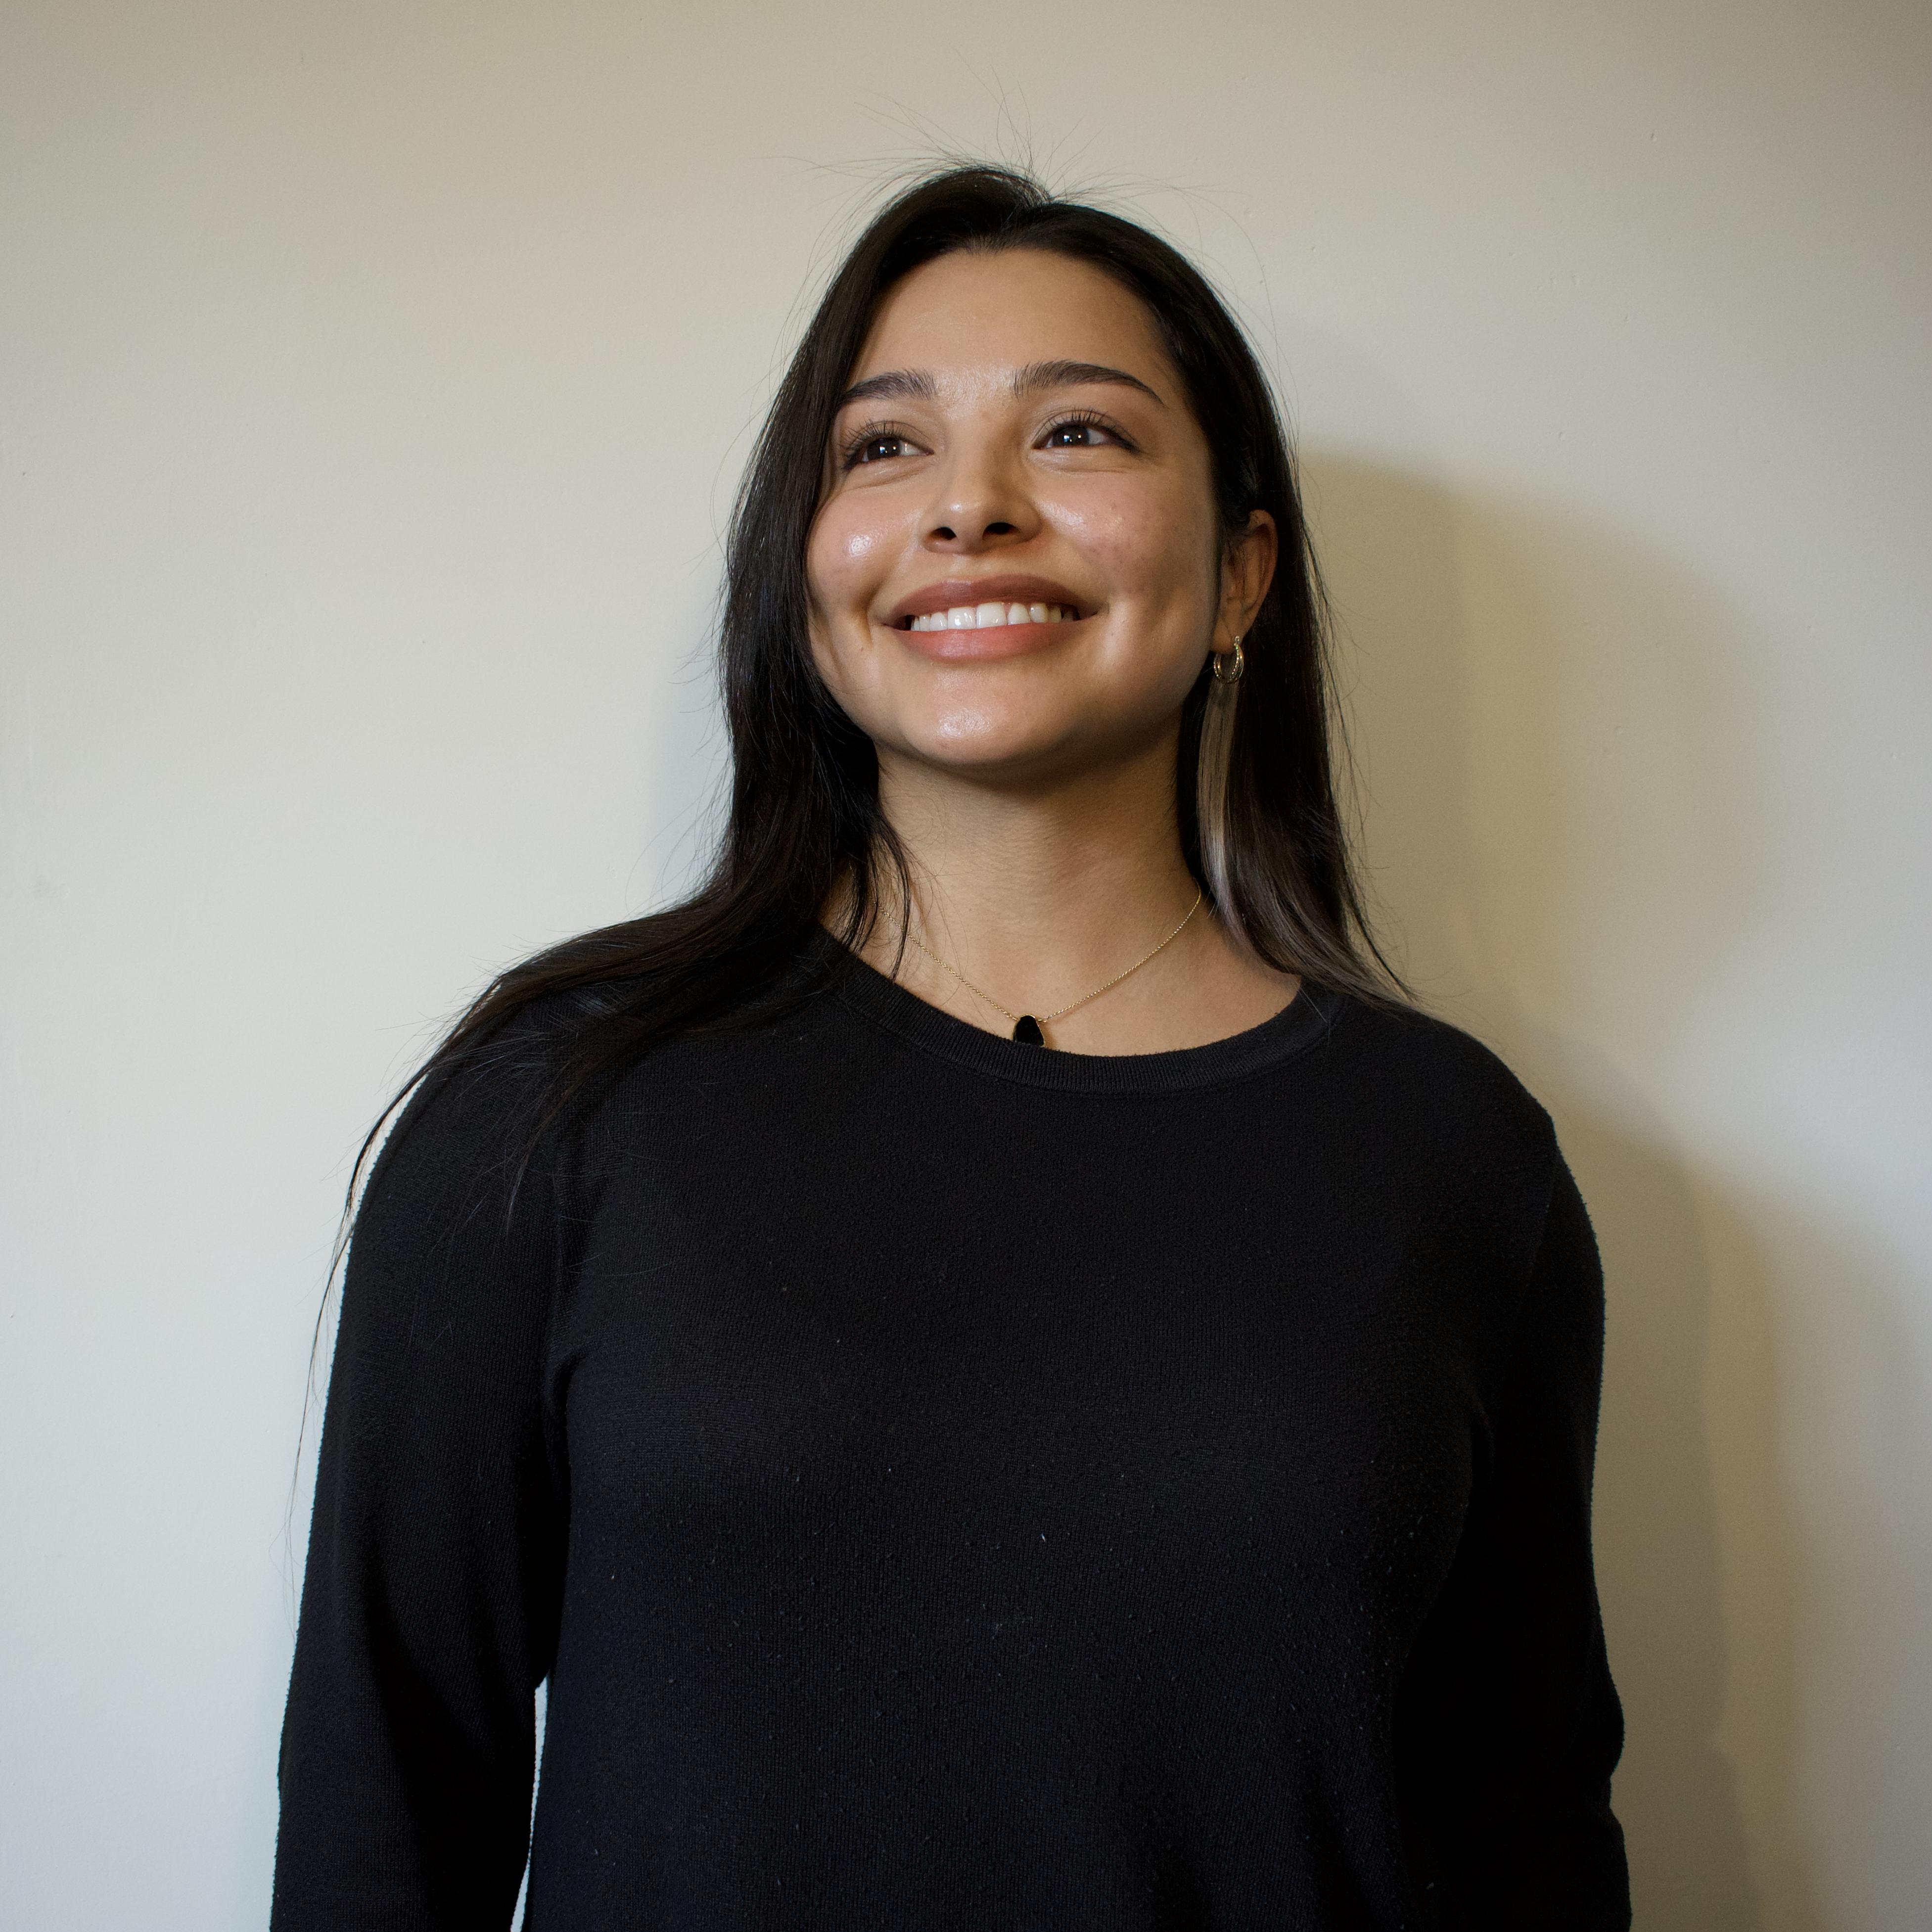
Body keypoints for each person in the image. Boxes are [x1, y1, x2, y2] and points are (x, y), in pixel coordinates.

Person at [272, 165, 1630, 1929]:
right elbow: (390, 1808)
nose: (971, 507)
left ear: (1240, 573)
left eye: (1077, 434)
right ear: (805, 563)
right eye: (883, 447)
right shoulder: (554, 1110)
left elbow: (1527, 1819)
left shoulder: (1454, 1158)